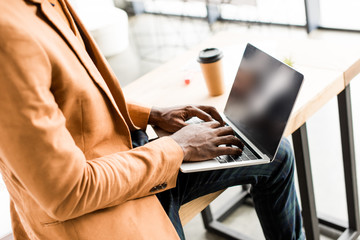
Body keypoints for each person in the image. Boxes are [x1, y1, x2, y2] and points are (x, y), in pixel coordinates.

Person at [0, 0, 304, 239]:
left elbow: (72, 100)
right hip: (99, 210)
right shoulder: (9, 36)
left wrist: (152, 115)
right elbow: (69, 192)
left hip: (128, 161)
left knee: (275, 153)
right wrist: (177, 148)